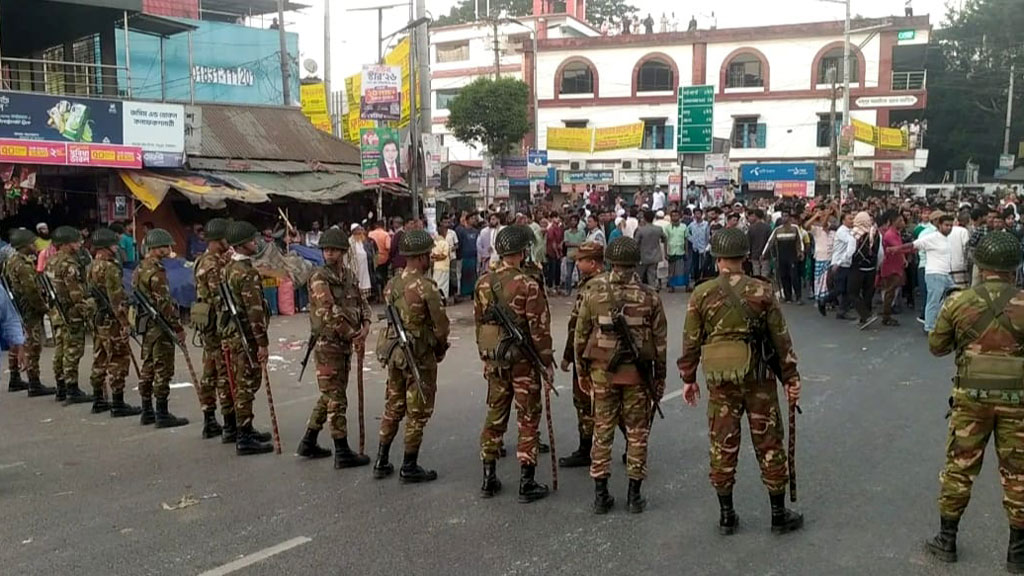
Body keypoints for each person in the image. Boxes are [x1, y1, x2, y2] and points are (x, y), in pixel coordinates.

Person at [679, 227, 803, 535]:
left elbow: (691, 340)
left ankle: (726, 515)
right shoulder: (762, 291)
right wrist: (790, 377)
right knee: (769, 442)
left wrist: (688, 378)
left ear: (717, 257)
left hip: (721, 381)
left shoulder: (702, 293)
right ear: (745, 257)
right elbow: (781, 339)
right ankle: (778, 514)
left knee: (722, 444)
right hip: (759, 379)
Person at [925, 231, 1024, 571]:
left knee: (960, 467)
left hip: (971, 400)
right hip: (1018, 401)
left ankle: (947, 540)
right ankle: (1017, 552)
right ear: (1015, 267)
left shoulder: (959, 302)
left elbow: (937, 347)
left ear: (979, 265)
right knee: (1018, 474)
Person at [575, 237, 667, 514]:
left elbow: (581, 335)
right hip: (637, 376)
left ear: (610, 262)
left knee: (602, 430)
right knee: (637, 433)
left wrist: (581, 372)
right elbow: (660, 343)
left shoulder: (593, 292)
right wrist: (659, 378)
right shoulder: (650, 295)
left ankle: (601, 495)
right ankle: (634, 496)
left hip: (602, 373)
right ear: (635, 263)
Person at [475, 225, 554, 502]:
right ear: (522, 252)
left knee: (495, 416)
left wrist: (485, 358)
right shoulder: (528, 285)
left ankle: (488, 477)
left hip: (496, 360)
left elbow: (480, 324)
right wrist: (546, 363)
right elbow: (539, 330)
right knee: (528, 418)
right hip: (523, 364)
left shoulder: (483, 283)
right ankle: (526, 481)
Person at [374, 229, 450, 483]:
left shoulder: (392, 284)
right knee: (417, 410)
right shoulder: (426, 287)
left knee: (393, 406)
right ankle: (409, 465)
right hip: (418, 355)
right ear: (420, 257)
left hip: (395, 353)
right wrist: (440, 349)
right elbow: (441, 326)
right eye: (427, 255)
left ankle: (381, 460)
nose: (430, 259)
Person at [297, 228, 373, 469]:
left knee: (330, 394)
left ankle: (308, 441)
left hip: (345, 344)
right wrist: (352, 334)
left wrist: (366, 325)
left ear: (343, 251)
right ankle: (342, 450)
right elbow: (329, 312)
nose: (329, 253)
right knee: (337, 398)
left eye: (334, 250)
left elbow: (362, 303)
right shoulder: (319, 277)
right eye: (326, 250)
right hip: (328, 344)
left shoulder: (349, 276)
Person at [221, 221, 275, 455]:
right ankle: (244, 435)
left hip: (234, 333)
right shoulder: (246, 273)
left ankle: (246, 427)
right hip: (246, 336)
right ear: (243, 245)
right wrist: (262, 343)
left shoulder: (228, 268)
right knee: (246, 384)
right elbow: (254, 312)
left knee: (241, 382)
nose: (256, 243)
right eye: (252, 240)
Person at [131, 228, 190, 428]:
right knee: (163, 368)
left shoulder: (140, 268)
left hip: (147, 324)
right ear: (155, 248)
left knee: (148, 366)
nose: (168, 249)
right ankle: (162, 413)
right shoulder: (156, 271)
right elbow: (164, 303)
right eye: (165, 246)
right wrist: (177, 327)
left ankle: (147, 410)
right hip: (160, 325)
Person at [558, 241, 605, 469]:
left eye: (581, 260)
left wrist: (568, 356)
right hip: (606, 353)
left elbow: (576, 326)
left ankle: (587, 450)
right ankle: (631, 448)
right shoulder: (608, 283)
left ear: (593, 263)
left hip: (587, 353)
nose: (577, 264)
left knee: (585, 402)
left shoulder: (590, 288)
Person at [85, 228, 142, 417]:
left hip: (99, 319)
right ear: (105, 247)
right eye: (113, 244)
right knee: (118, 359)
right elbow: (116, 299)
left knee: (100, 357)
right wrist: (125, 323)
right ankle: (118, 403)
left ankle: (98, 400)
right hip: (111, 320)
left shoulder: (92, 266)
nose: (116, 247)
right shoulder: (109, 268)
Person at [192, 219, 235, 440]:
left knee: (209, 370)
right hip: (218, 324)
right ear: (218, 240)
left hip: (206, 323)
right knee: (224, 371)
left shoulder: (203, 260)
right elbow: (221, 298)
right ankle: (230, 423)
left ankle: (209, 418)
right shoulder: (213, 265)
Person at [3, 229, 55, 397]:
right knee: (33, 345)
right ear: (24, 245)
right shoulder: (23, 265)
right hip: (28, 309)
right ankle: (34, 382)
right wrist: (43, 307)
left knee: (17, 341)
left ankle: (15, 377)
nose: (35, 245)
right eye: (32, 243)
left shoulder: (11, 261)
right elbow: (31, 290)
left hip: (18, 307)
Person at [45, 226, 94, 405]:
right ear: (65, 244)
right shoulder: (69, 264)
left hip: (57, 312)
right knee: (73, 350)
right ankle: (72, 388)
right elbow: (76, 294)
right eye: (75, 241)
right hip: (71, 313)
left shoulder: (51, 261)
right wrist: (88, 311)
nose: (79, 244)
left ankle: (61, 387)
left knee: (60, 349)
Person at [890, 212, 957, 333]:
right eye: (946, 225)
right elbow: (913, 245)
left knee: (951, 298)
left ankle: (939, 323)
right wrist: (896, 249)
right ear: (939, 225)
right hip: (935, 274)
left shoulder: (946, 239)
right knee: (933, 301)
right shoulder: (932, 237)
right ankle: (929, 326)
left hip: (946, 274)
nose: (949, 228)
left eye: (951, 225)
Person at [763, 211, 805, 304]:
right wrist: (764, 254)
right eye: (783, 216)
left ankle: (798, 297)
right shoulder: (777, 230)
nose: (784, 218)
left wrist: (801, 252)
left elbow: (800, 241)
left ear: (789, 217)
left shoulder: (795, 228)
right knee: (784, 277)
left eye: (786, 216)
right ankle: (788, 297)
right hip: (781, 257)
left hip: (793, 257)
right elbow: (770, 242)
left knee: (794, 277)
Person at [879, 211, 907, 326]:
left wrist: (903, 259)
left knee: (893, 291)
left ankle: (887, 314)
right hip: (891, 267)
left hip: (896, 265)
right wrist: (913, 247)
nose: (903, 223)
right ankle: (886, 316)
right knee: (890, 292)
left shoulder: (896, 233)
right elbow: (899, 248)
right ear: (893, 222)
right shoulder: (890, 235)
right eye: (900, 221)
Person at [635, 209, 667, 289]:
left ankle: (640, 291)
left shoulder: (640, 230)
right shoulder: (658, 229)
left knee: (640, 276)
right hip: (655, 256)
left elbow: (635, 243)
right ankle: (652, 291)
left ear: (644, 218)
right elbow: (665, 238)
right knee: (652, 276)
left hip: (642, 257)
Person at [347, 224, 375, 299]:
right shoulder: (350, 242)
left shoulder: (362, 241)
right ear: (354, 232)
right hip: (355, 267)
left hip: (364, 268)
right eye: (358, 230)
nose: (360, 232)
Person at [687, 208, 711, 288]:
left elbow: (708, 235)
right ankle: (696, 281)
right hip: (695, 248)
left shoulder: (706, 224)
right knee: (695, 266)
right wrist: (692, 240)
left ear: (701, 214)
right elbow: (687, 233)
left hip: (704, 247)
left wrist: (707, 246)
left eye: (698, 213)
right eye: (695, 214)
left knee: (704, 265)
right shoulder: (692, 225)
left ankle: (703, 280)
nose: (697, 215)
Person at [666, 209, 688, 292]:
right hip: (671, 251)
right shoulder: (667, 228)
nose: (675, 217)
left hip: (681, 251)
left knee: (683, 270)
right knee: (671, 270)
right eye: (673, 216)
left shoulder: (684, 227)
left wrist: (686, 251)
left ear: (679, 216)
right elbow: (665, 241)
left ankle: (686, 286)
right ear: (671, 217)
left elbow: (686, 239)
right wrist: (665, 253)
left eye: (676, 215)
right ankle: (672, 286)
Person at [562, 215, 585, 294]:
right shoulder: (566, 232)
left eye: (574, 220)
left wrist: (575, 244)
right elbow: (566, 244)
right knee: (568, 274)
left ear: (577, 222)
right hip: (570, 255)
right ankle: (568, 290)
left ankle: (581, 290)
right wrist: (577, 245)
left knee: (581, 274)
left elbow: (583, 243)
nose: (573, 222)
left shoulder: (581, 232)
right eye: (571, 220)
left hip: (579, 255)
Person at [430, 221, 452, 303]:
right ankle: (443, 300)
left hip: (436, 267)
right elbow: (445, 255)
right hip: (444, 267)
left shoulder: (435, 243)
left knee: (436, 283)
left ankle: (436, 299)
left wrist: (435, 257)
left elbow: (432, 255)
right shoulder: (445, 243)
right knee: (443, 286)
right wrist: (438, 257)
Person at [747, 209, 771, 278]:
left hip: (754, 254)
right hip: (765, 254)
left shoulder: (751, 228)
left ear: (755, 216)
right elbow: (770, 241)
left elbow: (749, 242)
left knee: (756, 273)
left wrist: (749, 254)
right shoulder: (767, 227)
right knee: (765, 273)